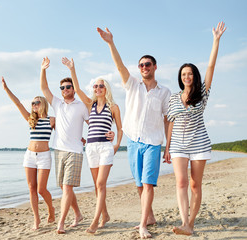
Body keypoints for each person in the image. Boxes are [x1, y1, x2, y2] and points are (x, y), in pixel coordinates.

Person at [97, 27, 171, 239]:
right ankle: (150, 217)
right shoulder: (132, 85)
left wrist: (168, 146)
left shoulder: (164, 92)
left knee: (148, 183)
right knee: (139, 184)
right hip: (133, 141)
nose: (144, 67)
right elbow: (119, 67)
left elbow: (167, 119)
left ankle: (142, 225)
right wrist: (111, 43)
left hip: (153, 142)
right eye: (141, 65)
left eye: (147, 64)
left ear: (155, 67)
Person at [163, 22, 226, 236]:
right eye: (183, 74)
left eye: (189, 74)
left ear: (194, 76)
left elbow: (210, 68)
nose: (186, 77)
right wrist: (167, 147)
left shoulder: (202, 93)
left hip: (199, 143)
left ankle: (191, 222)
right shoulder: (173, 98)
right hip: (179, 144)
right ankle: (184, 222)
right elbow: (170, 122)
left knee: (194, 185)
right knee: (180, 182)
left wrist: (215, 41)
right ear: (180, 78)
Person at [40, 57, 114, 234]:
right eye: (62, 88)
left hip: (75, 151)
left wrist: (110, 134)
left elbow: (95, 123)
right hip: (58, 150)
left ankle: (61, 222)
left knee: (67, 187)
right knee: (64, 187)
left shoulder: (82, 106)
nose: (65, 90)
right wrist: (43, 69)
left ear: (73, 89)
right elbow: (44, 88)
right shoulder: (57, 103)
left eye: (68, 87)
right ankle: (79, 214)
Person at [62, 57, 123, 234]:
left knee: (101, 184)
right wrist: (72, 69)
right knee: (97, 185)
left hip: (105, 148)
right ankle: (105, 215)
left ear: (106, 89)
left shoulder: (114, 107)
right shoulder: (90, 104)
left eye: (101, 86)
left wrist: (117, 144)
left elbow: (119, 128)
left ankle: (95, 221)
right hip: (91, 148)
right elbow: (78, 89)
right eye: (95, 86)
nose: (97, 89)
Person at [1, 76, 55, 230]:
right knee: (31, 188)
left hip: (44, 156)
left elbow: (66, 131)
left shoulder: (52, 120)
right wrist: (6, 89)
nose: (33, 105)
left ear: (43, 104)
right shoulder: (31, 119)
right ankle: (36, 219)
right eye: (32, 103)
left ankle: (51, 209)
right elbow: (17, 103)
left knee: (41, 189)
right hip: (30, 156)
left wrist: (82, 139)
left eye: (36, 103)